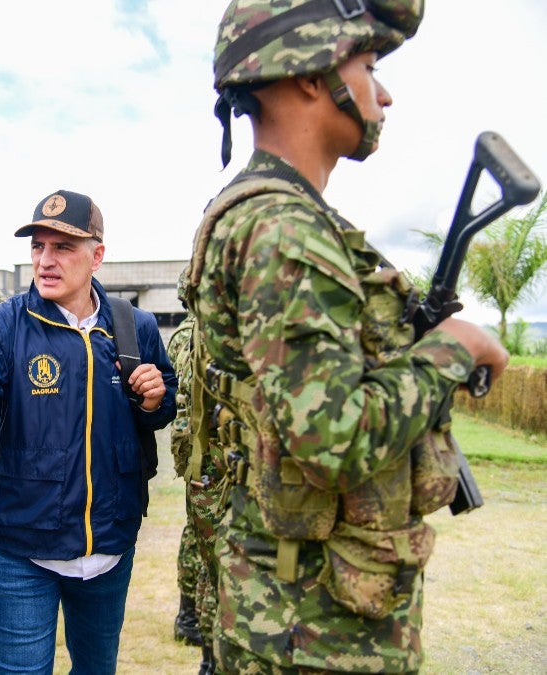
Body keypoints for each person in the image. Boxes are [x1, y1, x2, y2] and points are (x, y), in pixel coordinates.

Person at [188, 2, 509, 672]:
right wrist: (454, 348)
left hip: (308, 610)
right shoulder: (286, 231)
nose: (383, 94)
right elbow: (330, 438)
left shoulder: (285, 218)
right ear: (311, 75)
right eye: (368, 66)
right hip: (314, 628)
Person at [0, 189, 177, 674]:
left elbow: (161, 402)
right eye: (38, 246)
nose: (45, 260)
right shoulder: (3, 325)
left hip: (109, 544)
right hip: (22, 546)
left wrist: (154, 398)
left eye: (63, 247)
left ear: (96, 256)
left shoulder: (135, 326)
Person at [168, 269, 220, 675]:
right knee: (214, 561)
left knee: (201, 548)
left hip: (194, 458)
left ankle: (192, 623)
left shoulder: (181, 336)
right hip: (213, 461)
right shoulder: (209, 336)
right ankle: (208, 649)